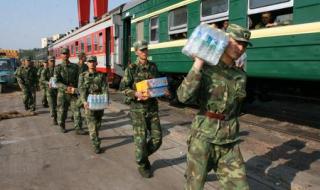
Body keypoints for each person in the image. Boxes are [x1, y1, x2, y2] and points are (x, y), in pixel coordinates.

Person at [177, 24, 252, 190]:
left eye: (245, 45)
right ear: (225, 41)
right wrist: (198, 64)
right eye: (237, 42)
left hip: (229, 142)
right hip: (203, 138)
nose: (240, 48)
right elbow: (183, 97)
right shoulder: (206, 68)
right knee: (194, 186)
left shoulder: (240, 75)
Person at [119, 40, 164, 178]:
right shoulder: (131, 69)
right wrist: (135, 93)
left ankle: (142, 156)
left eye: (146, 49)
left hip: (152, 108)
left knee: (157, 138)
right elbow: (123, 88)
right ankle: (142, 164)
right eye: (142, 50)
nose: (144, 52)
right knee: (141, 140)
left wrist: (163, 90)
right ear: (136, 52)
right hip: (138, 110)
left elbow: (156, 85)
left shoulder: (153, 67)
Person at [79, 56, 108, 154]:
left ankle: (95, 136)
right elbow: (81, 90)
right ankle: (96, 144)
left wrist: (106, 99)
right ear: (87, 63)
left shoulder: (101, 75)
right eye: (90, 62)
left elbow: (105, 88)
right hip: (89, 103)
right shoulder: (82, 76)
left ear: (96, 63)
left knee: (98, 124)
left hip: (99, 102)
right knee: (92, 125)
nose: (91, 63)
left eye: (93, 61)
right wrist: (84, 101)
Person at [54, 48, 86, 134]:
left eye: (66, 53)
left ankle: (78, 128)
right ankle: (62, 125)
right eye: (63, 54)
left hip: (73, 92)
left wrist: (77, 88)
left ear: (69, 55)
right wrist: (66, 87)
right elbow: (56, 82)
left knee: (76, 110)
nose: (65, 55)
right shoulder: (58, 68)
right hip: (63, 93)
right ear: (61, 55)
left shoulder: (75, 67)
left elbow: (79, 78)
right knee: (62, 110)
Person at [40, 56, 58, 125]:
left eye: (53, 61)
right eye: (51, 61)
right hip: (49, 90)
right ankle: (54, 118)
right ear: (48, 62)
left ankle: (57, 117)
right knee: (52, 105)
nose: (52, 62)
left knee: (57, 105)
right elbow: (42, 80)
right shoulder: (45, 70)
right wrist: (48, 83)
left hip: (57, 90)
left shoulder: (57, 69)